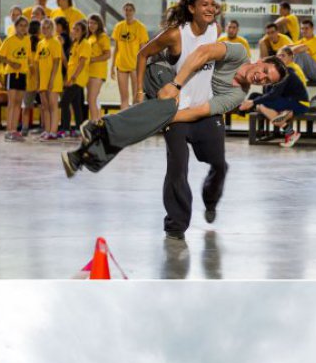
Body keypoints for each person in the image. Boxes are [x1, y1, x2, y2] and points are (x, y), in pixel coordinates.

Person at [63, 40, 285, 238]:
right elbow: (205, 51)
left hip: (202, 116)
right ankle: (176, 225)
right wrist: (172, 93)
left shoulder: (238, 95)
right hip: (178, 96)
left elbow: (200, 111)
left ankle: (210, 201)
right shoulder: (237, 52)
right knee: (178, 164)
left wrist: (162, 116)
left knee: (218, 164)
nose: (261, 77)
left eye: (266, 79)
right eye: (264, 70)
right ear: (261, 60)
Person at [239, 45, 309, 148]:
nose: (279, 58)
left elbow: (273, 94)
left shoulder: (288, 71)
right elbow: (270, 91)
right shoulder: (279, 71)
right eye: (278, 56)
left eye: (283, 56)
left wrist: (253, 102)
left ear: (290, 57)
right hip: (288, 100)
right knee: (255, 96)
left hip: (298, 103)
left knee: (260, 104)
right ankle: (264, 126)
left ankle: (290, 132)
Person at [0, 15, 32, 142]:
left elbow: (28, 57)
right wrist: (11, 63)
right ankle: (9, 130)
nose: (23, 28)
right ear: (16, 27)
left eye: (25, 26)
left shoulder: (27, 40)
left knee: (18, 102)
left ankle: (15, 130)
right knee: (12, 102)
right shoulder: (9, 40)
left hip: (23, 74)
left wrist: (31, 67)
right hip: (12, 74)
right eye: (20, 25)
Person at [110, 3, 150, 111]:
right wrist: (112, 67)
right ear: (123, 11)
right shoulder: (119, 27)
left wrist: (144, 66)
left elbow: (143, 50)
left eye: (130, 10)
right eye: (126, 10)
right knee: (124, 98)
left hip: (135, 66)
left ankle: (134, 122)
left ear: (134, 11)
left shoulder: (140, 27)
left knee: (136, 97)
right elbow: (116, 48)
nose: (128, 12)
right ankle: (124, 121)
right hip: (121, 65)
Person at [85, 15, 111, 122]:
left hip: (97, 72)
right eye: (90, 23)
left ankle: (94, 123)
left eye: (94, 23)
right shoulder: (89, 37)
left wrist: (93, 59)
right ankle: (97, 122)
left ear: (99, 24)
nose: (91, 25)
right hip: (88, 72)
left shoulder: (103, 37)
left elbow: (108, 54)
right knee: (93, 100)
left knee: (91, 99)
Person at [291, 19, 316, 83]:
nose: (303, 31)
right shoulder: (303, 40)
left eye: (306, 28)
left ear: (312, 29)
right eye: (302, 29)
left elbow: (297, 49)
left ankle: (293, 79)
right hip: (309, 74)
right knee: (291, 54)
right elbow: (289, 47)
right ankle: (291, 77)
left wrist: (287, 51)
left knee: (301, 54)